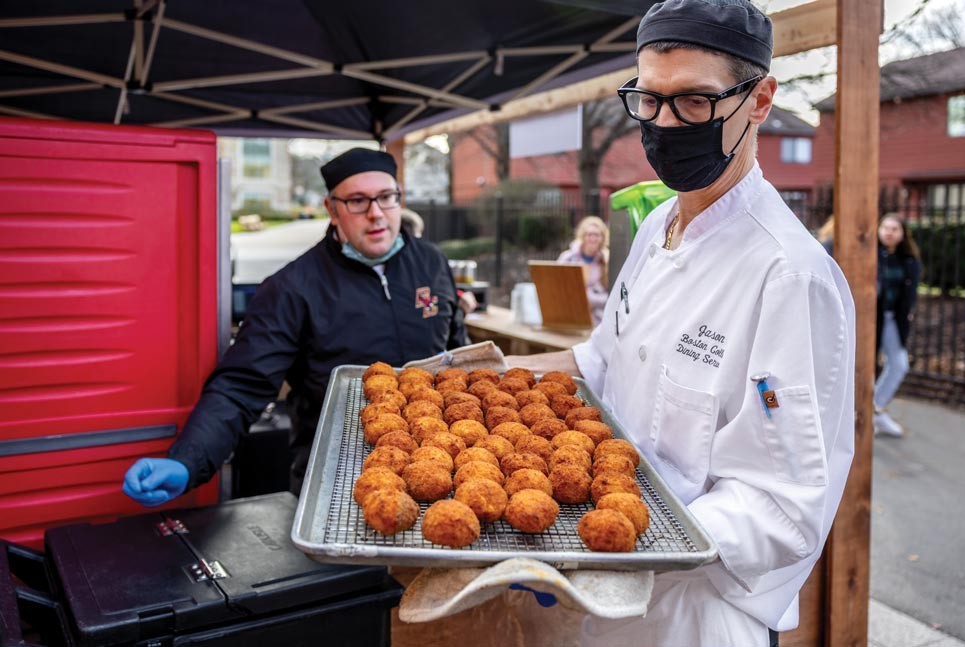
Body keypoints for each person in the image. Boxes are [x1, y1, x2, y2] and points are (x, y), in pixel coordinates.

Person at [507, 1, 856, 645]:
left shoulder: (788, 275)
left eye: (695, 100)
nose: (665, 123)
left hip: (698, 613)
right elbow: (602, 361)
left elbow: (783, 507)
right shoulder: (654, 230)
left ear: (759, 99)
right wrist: (495, 375)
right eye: (650, 98)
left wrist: (617, 543)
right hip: (600, 591)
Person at [123, 148, 468, 503]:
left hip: (439, 470)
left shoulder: (431, 262)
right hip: (337, 481)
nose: (376, 213)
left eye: (385, 197)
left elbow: (458, 353)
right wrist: (187, 460)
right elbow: (242, 384)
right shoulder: (292, 287)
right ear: (332, 210)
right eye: (357, 201)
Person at [873, 212, 921, 437]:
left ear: (903, 234)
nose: (889, 232)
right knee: (863, 368)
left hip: (893, 320)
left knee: (899, 364)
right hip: (871, 320)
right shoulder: (869, 253)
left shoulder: (909, 260)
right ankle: (865, 412)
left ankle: (874, 408)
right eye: (886, 227)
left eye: (895, 229)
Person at [557, 215, 610, 325]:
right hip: (570, 317)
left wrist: (589, 298)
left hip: (597, 321)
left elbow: (611, 296)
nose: (593, 239)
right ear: (583, 236)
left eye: (597, 235)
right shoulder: (567, 258)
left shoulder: (606, 260)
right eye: (589, 234)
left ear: (602, 238)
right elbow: (557, 287)